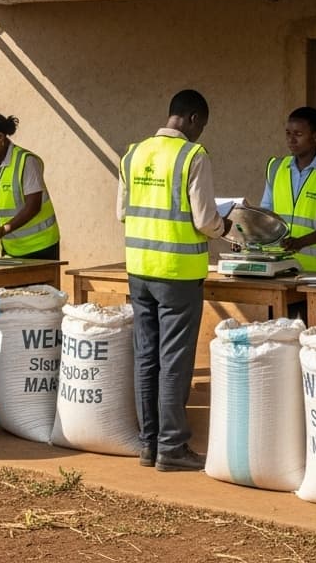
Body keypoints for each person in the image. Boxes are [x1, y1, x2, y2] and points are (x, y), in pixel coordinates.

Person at [118, 89, 231, 472]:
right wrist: (227, 225)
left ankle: (148, 445)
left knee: (146, 357)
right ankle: (172, 447)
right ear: (194, 119)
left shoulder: (132, 153)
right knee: (175, 361)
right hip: (178, 274)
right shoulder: (193, 156)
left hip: (138, 269)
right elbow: (204, 220)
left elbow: (122, 211)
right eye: (203, 126)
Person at [259, 106, 316, 273]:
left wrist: (300, 243)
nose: (291, 140)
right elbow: (265, 211)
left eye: (298, 134)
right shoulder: (276, 167)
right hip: (278, 266)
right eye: (288, 133)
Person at [0, 112, 60, 260]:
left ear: (0, 137)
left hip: (40, 246)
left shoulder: (27, 161)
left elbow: (33, 206)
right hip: (10, 247)